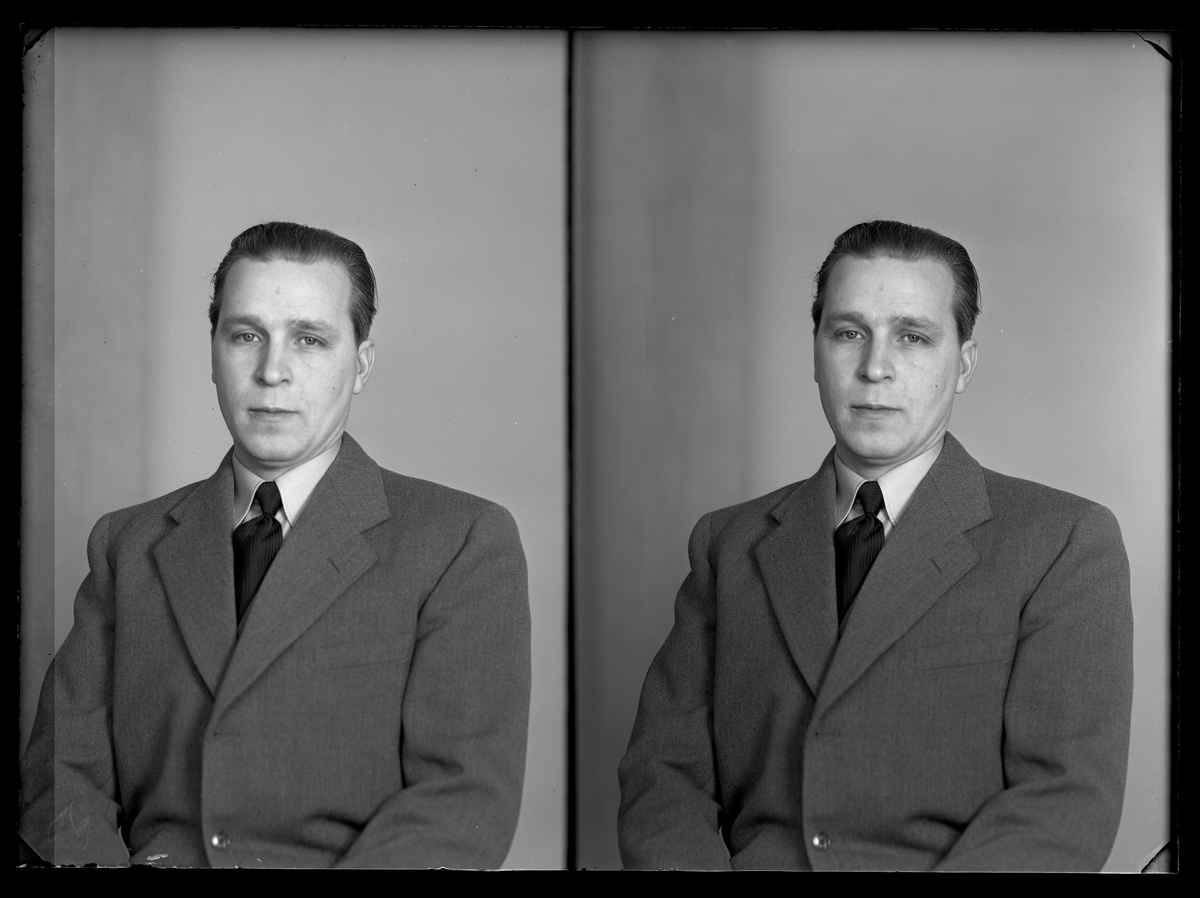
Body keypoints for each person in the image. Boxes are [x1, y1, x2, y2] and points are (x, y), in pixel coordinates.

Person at [617, 220, 1133, 871]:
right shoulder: (728, 545)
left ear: (964, 364)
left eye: (912, 336)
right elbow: (663, 782)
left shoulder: (1062, 541)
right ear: (815, 353)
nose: (875, 368)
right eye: (848, 333)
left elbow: (1062, 805)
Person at [20, 222, 531, 868]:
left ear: (361, 365)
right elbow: (62, 779)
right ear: (213, 353)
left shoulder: (460, 540)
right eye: (246, 336)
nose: (272, 371)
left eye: (309, 339)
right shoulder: (127, 545)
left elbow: (459, 805)